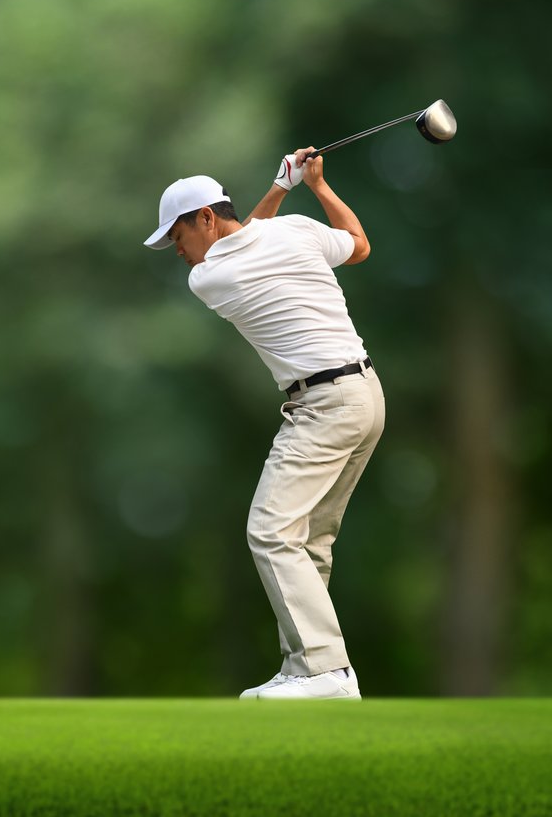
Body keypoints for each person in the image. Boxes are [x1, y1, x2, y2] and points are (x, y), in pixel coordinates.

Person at [144, 148, 385, 700]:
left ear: (205, 217)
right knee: (309, 539)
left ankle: (326, 671)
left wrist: (281, 188)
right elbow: (358, 246)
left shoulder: (209, 276)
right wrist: (313, 187)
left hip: (325, 405)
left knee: (270, 530)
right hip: (365, 396)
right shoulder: (296, 232)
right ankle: (307, 669)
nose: (177, 251)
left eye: (176, 235)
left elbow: (246, 239)